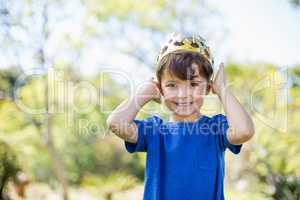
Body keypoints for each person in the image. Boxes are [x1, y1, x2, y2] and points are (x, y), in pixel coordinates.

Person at [106, 32, 255, 200]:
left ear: (207, 87)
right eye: (171, 85)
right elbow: (115, 122)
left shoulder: (216, 129)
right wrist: (144, 92)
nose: (183, 94)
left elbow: (244, 131)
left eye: (193, 84)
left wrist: (222, 89)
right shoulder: (154, 132)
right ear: (160, 89)